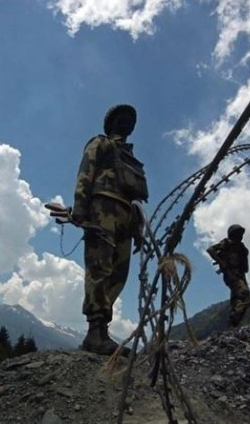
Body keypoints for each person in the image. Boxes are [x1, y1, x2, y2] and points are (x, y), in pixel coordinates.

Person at [71, 104, 148, 355]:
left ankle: (102, 328)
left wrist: (138, 229)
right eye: (122, 118)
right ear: (111, 123)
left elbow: (137, 199)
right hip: (101, 207)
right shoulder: (100, 144)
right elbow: (86, 172)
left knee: (119, 273)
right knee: (99, 266)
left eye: (131, 121)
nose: (128, 123)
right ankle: (95, 332)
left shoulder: (132, 160)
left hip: (126, 216)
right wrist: (80, 208)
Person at [206, 224, 250, 328]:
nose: (241, 236)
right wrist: (222, 263)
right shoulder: (227, 244)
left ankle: (233, 326)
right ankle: (233, 321)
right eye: (238, 234)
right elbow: (210, 250)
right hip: (231, 274)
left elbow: (245, 267)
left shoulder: (241, 248)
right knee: (245, 296)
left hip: (240, 275)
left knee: (237, 300)